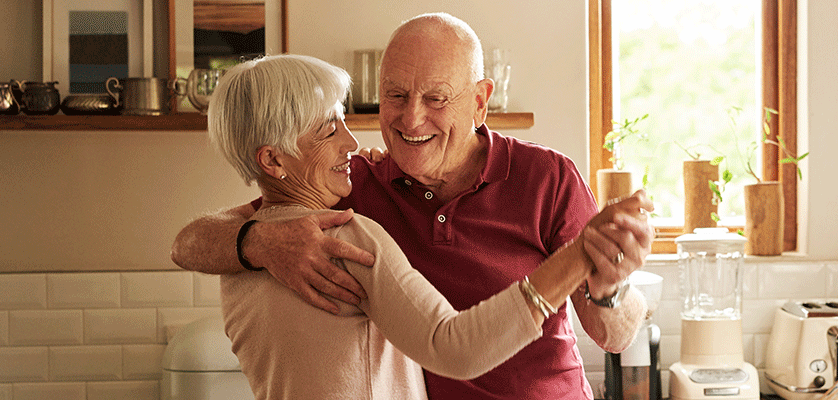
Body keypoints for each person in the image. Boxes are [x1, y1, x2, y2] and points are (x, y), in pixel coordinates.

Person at [171, 12, 652, 400]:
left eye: (436, 98)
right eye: (395, 96)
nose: (411, 117)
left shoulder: (548, 178)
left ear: (480, 101)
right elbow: (188, 242)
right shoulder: (347, 193)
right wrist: (257, 241)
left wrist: (608, 285)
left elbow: (614, 336)